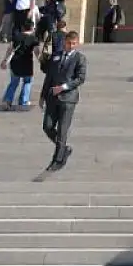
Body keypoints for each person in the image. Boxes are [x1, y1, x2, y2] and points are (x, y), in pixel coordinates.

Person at [39, 30, 87, 172]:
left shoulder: (80, 58)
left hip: (68, 98)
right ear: (64, 42)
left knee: (62, 130)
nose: (71, 46)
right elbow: (49, 77)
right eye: (69, 43)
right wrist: (42, 96)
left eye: (74, 44)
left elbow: (80, 78)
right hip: (52, 97)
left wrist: (64, 87)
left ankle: (58, 160)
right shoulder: (56, 56)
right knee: (47, 126)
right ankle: (64, 148)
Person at [1, 20, 40, 111]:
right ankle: (24, 101)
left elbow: (10, 49)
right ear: (32, 28)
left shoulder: (16, 37)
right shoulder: (34, 39)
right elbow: (36, 51)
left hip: (15, 62)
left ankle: (7, 100)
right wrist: (41, 61)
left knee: (13, 83)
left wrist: (5, 60)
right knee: (27, 82)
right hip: (27, 63)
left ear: (22, 28)